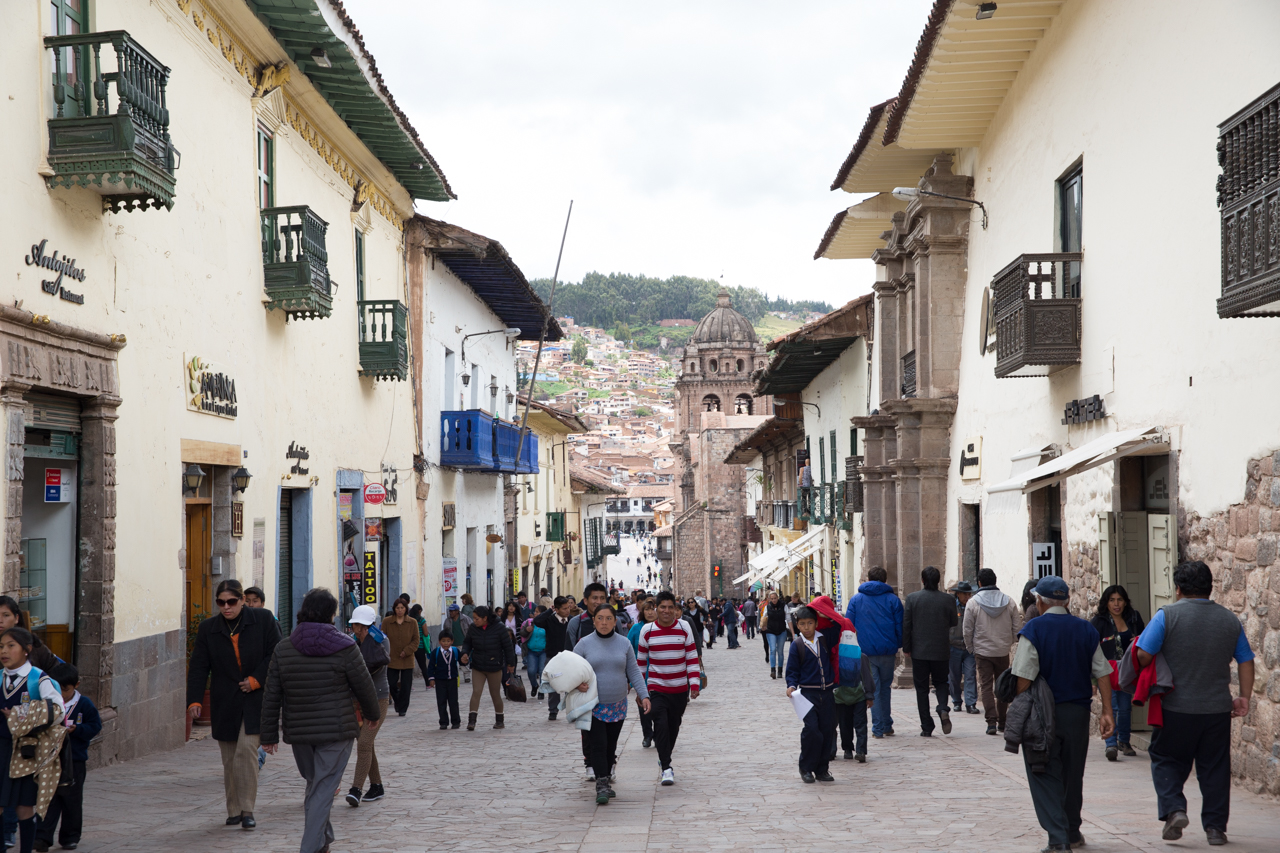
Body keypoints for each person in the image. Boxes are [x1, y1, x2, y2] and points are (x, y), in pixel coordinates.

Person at [1135, 561, 1254, 846]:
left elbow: (1143, 656)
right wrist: (1244, 697)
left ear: (1177, 588)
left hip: (1175, 707)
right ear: (1210, 588)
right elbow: (1246, 660)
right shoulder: (1229, 620)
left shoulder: (1167, 616)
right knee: (1214, 767)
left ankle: (1174, 809)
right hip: (1216, 709)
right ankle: (1215, 829)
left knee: (1165, 759)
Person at [260, 588, 380, 853]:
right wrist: (373, 715)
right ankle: (310, 847)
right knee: (322, 788)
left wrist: (268, 736)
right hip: (336, 731)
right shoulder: (346, 646)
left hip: (300, 732)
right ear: (331, 615)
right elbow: (364, 686)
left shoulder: (284, 648)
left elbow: (271, 695)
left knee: (317, 785)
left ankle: (323, 841)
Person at [1013, 575, 1115, 852]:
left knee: (1042, 771)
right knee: (1073, 772)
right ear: (1067, 600)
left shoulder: (1034, 629)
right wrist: (1107, 711)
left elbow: (1022, 677)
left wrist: (1023, 707)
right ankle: (1071, 831)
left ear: (1039, 601)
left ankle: (1058, 838)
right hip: (1077, 714)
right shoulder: (1085, 630)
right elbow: (1102, 671)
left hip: (1043, 716)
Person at [186, 579, 281, 830]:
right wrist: (195, 699)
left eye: (231, 602)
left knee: (246, 751)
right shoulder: (209, 628)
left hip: (255, 698)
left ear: (241, 600)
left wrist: (256, 680)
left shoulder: (263, 620)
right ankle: (234, 810)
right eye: (221, 602)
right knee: (229, 757)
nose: (226, 607)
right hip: (224, 699)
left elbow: (275, 653)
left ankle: (248, 809)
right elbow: (198, 666)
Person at [574, 605, 651, 804]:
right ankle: (601, 784)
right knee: (598, 745)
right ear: (594, 620)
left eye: (609, 618)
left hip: (617, 705)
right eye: (600, 618)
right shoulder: (584, 644)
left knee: (610, 746)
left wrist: (644, 695)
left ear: (615, 620)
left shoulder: (624, 644)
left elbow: (633, 671)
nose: (604, 622)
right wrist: (577, 685)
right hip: (593, 705)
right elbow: (570, 671)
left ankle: (605, 777)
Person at [0, 626, 64, 853]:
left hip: (26, 751)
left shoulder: (38, 679)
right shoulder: (0, 678)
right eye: (1, 646)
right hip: (1, 748)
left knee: (24, 807)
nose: (4, 652)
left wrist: (21, 715)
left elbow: (58, 710)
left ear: (26, 650)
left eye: (10, 646)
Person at [34, 662, 101, 853]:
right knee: (48, 798)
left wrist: (78, 730)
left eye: (66, 689)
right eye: (58, 689)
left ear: (76, 685)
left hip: (75, 760)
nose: (62, 693)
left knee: (72, 800)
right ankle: (42, 837)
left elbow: (95, 726)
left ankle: (70, 837)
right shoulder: (47, 703)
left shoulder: (84, 704)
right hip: (50, 759)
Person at [637, 591, 700, 786]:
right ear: (656, 608)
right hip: (656, 687)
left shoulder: (684, 627)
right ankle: (667, 767)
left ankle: (664, 754)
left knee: (673, 726)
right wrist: (640, 690)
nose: (666, 611)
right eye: (662, 607)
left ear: (675, 609)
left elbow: (691, 656)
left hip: (679, 689)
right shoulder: (646, 630)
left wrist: (695, 683)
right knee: (661, 725)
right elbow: (640, 663)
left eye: (669, 607)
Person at [964, 568, 1023, 736]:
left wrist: (971, 647)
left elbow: (967, 629)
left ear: (980, 583)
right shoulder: (1009, 601)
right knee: (1002, 684)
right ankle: (1003, 722)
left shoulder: (973, 603)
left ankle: (991, 721)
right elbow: (1017, 628)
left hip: (982, 651)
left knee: (986, 686)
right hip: (1002, 650)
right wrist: (1008, 642)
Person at [845, 567, 902, 738]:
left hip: (865, 652)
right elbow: (900, 625)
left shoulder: (856, 600)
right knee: (885, 687)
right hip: (887, 651)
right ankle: (886, 724)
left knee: (873, 689)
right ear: (885, 580)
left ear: (868, 579)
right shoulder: (893, 600)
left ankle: (878, 727)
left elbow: (849, 625)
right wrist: (898, 644)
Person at [1090, 584, 1145, 762]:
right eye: (1112, 600)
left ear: (1125, 602)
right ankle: (1111, 744)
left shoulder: (1133, 618)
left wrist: (1137, 640)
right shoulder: (1099, 622)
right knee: (1111, 706)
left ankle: (1124, 741)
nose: (1116, 604)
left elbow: (1145, 641)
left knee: (1125, 707)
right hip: (1106, 671)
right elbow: (1091, 649)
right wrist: (1093, 679)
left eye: (1119, 600)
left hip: (1128, 670)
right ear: (1106, 603)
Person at [902, 567, 957, 737]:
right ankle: (942, 707)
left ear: (923, 580)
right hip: (941, 649)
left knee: (921, 688)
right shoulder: (948, 599)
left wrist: (907, 647)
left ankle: (926, 725)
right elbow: (954, 621)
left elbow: (907, 625)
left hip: (919, 651)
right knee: (941, 683)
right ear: (939, 581)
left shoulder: (912, 598)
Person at [785, 606, 837, 783]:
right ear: (797, 626)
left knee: (827, 731)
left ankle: (822, 769)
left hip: (827, 693)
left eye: (810, 623)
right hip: (807, 695)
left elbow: (839, 626)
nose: (807, 627)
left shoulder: (824, 639)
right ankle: (806, 767)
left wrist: (824, 615)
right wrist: (791, 685)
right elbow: (792, 670)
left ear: (816, 623)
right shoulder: (797, 645)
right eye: (802, 624)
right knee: (812, 731)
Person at [345, 605, 390, 807]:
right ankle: (377, 785)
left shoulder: (381, 641)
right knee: (367, 744)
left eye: (359, 625)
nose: (356, 628)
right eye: (355, 624)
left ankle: (356, 789)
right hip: (357, 701)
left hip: (377, 699)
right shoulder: (352, 643)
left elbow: (375, 667)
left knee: (363, 743)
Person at [460, 606, 515, 730]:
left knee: (495, 693)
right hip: (478, 665)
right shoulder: (473, 628)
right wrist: (464, 653)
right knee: (476, 692)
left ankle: (499, 720)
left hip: (494, 666)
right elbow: (467, 642)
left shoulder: (499, 627)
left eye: (477, 618)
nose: (474, 621)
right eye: (473, 618)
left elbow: (508, 647)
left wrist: (510, 664)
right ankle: (472, 721)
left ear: (485, 618)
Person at [533, 596, 573, 720]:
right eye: (564, 608)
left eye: (568, 608)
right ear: (556, 609)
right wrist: (549, 611)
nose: (567, 611)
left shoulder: (572, 621)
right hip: (552, 657)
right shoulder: (549, 620)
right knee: (553, 685)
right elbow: (537, 621)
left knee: (571, 685)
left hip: (570, 657)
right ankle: (553, 710)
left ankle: (571, 710)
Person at [628, 598, 658, 749]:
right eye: (647, 609)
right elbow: (627, 650)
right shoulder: (635, 629)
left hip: (659, 674)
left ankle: (659, 734)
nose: (650, 612)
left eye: (653, 609)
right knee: (643, 706)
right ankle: (647, 734)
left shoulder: (661, 628)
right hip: (640, 673)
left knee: (658, 706)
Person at [0, 597, 59, 673]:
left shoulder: (33, 644)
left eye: (6, 615)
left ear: (16, 618)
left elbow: (56, 673)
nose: (0, 620)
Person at [381, 599, 418, 717]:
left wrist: (407, 651)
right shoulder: (387, 621)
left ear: (406, 609)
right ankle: (398, 701)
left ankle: (403, 708)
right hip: (392, 658)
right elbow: (382, 638)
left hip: (407, 658)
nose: (400, 610)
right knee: (391, 683)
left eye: (402, 608)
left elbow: (416, 640)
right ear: (394, 609)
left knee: (406, 686)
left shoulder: (412, 622)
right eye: (397, 608)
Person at [948, 581, 978, 715]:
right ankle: (956, 701)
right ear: (958, 594)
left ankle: (970, 703)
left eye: (969, 594)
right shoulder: (951, 607)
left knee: (970, 675)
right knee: (954, 676)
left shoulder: (973, 606)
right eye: (965, 594)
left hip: (969, 648)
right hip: (953, 646)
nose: (967, 597)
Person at [426, 631, 462, 730]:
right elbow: (431, 667)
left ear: (452, 641)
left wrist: (466, 659)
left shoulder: (455, 651)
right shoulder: (436, 653)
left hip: (452, 680)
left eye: (448, 641)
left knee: (453, 702)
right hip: (440, 681)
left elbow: (462, 661)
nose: (446, 643)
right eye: (443, 641)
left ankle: (456, 721)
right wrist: (431, 679)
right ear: (439, 641)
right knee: (441, 701)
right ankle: (443, 722)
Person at [566, 583, 609, 651]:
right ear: (585, 601)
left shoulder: (614, 622)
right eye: (595, 598)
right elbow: (570, 652)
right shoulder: (576, 623)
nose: (599, 602)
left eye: (602, 598)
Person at [521, 605, 548, 699]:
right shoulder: (529, 622)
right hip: (531, 651)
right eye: (535, 611)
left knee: (542, 671)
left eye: (537, 612)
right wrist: (526, 630)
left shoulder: (547, 623)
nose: (535, 613)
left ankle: (541, 690)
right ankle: (534, 685)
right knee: (531, 671)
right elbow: (522, 634)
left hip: (543, 651)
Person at [442, 605, 472, 684]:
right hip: (452, 643)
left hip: (463, 643)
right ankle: (454, 675)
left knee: (463, 659)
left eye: (452, 611)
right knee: (453, 660)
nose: (451, 613)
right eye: (450, 611)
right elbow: (445, 631)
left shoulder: (465, 619)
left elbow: (472, 628)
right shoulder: (447, 621)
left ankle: (467, 675)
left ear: (457, 611)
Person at [762, 591, 789, 679]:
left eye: (775, 598)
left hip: (781, 630)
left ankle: (780, 670)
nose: (774, 600)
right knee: (773, 650)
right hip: (770, 630)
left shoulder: (783, 606)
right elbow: (764, 617)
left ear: (778, 598)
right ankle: (773, 670)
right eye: (772, 598)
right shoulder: (767, 607)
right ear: (770, 599)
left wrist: (792, 632)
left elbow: (788, 619)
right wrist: (762, 626)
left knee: (780, 651)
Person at [409, 603, 432, 686]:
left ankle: (409, 685)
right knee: (423, 666)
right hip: (420, 645)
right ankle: (428, 683)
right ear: (419, 611)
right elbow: (426, 633)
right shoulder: (421, 620)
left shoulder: (408, 619)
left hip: (409, 646)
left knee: (409, 667)